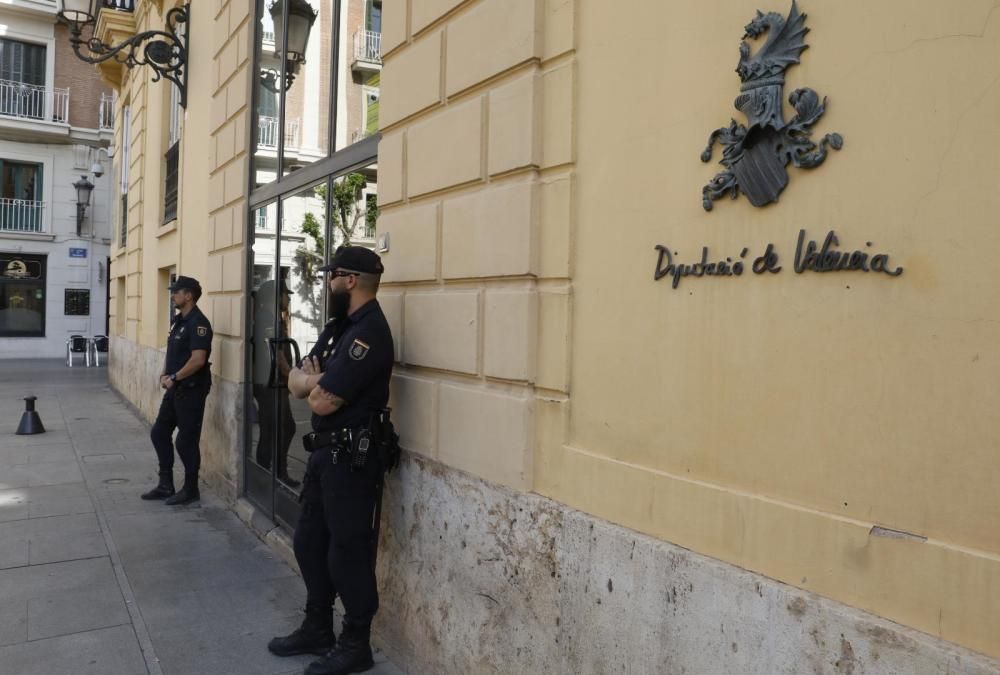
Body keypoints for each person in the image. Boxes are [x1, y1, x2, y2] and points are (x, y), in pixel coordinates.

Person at [267, 246, 393, 675]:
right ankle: (317, 626)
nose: (327, 282)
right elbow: (295, 378)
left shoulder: (369, 331)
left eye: (331, 275)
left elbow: (319, 401)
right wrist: (311, 379)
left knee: (347, 551)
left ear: (350, 279)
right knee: (308, 542)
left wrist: (311, 381)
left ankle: (356, 643)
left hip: (352, 459)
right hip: (324, 455)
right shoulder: (340, 327)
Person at [141, 275, 213, 506]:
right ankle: (165, 485)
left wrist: (174, 377)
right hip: (175, 388)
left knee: (185, 441)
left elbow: (198, 359)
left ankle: (191, 489)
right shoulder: (179, 321)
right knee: (159, 433)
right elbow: (173, 353)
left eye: (176, 291)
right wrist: (165, 373)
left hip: (191, 390)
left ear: (188, 295)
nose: (173, 295)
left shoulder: (198, 323)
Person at [252, 280, 298, 485]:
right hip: (270, 384)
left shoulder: (272, 318)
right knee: (275, 429)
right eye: (285, 295)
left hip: (273, 383)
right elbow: (276, 353)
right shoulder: (267, 319)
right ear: (275, 297)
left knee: (280, 428)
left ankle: (275, 471)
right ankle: (267, 473)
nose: (288, 299)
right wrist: (291, 375)